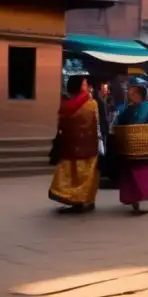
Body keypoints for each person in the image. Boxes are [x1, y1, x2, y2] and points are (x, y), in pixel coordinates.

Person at [49, 74, 101, 214]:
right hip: (88, 145)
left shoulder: (65, 106)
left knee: (70, 175)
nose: (87, 87)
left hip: (70, 145)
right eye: (84, 84)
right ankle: (87, 200)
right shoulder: (92, 104)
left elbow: (61, 125)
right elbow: (97, 126)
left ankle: (75, 201)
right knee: (87, 175)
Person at [114, 77, 148, 215]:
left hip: (142, 144)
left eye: (133, 93)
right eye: (129, 93)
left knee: (140, 174)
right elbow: (119, 122)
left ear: (140, 94)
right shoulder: (127, 108)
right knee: (129, 174)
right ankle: (133, 200)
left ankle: (138, 199)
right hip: (129, 145)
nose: (130, 95)